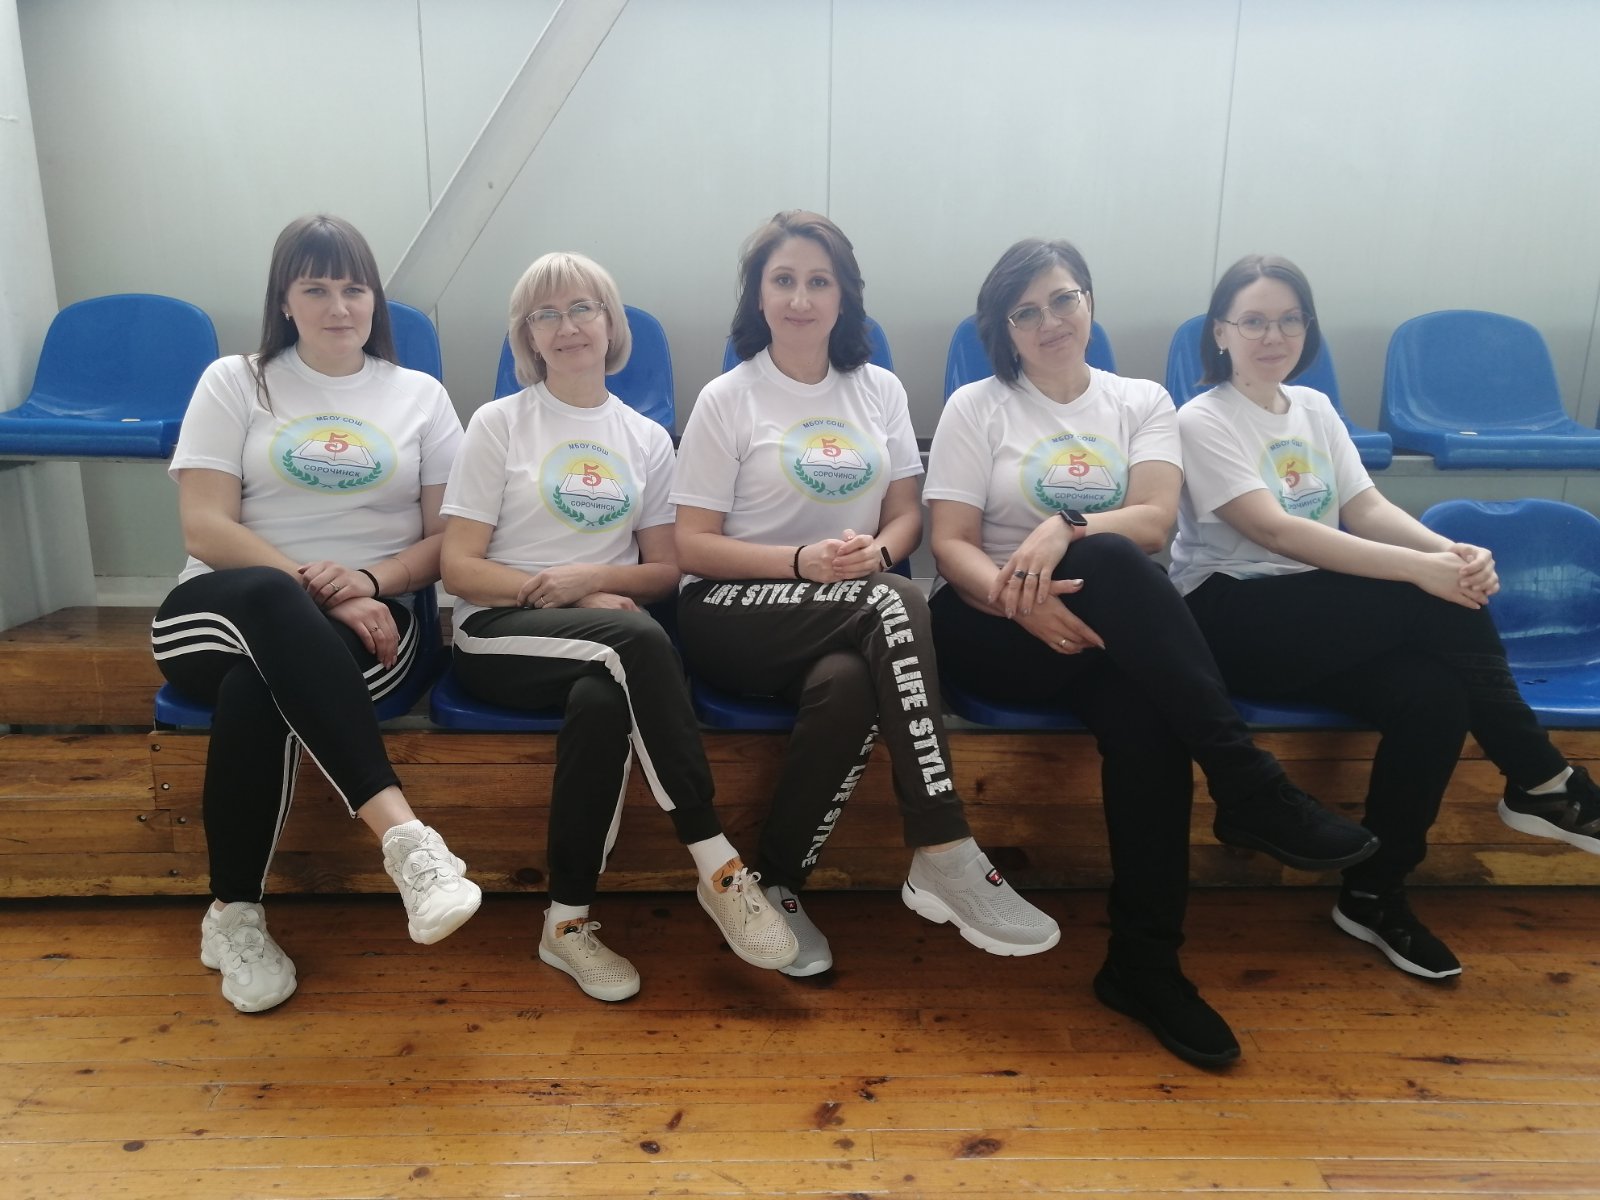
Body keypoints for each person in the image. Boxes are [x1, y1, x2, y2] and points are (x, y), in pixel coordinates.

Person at [924, 237, 1376, 1067]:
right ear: (1005, 329)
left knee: (1149, 711)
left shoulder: (1140, 401)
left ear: (1089, 301)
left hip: (1102, 629)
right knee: (1108, 554)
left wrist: (1063, 525)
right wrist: (1020, 600)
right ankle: (1247, 782)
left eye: (1063, 299)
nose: (1049, 321)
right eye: (1026, 311)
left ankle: (1144, 964)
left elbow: (1158, 519)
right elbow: (949, 544)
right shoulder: (977, 406)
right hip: (991, 623)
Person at [1172, 253, 1600, 982]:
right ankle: (1539, 777)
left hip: (1318, 617)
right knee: (1421, 594)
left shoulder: (1313, 408)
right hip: (1229, 615)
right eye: (1254, 321)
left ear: (1308, 327)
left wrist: (1449, 551)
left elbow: (1365, 507)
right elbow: (1276, 531)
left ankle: (1374, 893)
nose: (1273, 336)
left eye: (1289, 320)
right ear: (1221, 332)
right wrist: (1421, 571)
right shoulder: (1202, 419)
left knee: (1435, 695)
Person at [672, 209, 1061, 978]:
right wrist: (801, 562)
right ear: (757, 295)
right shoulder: (728, 397)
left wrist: (878, 551)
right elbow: (692, 545)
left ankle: (777, 883)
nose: (801, 298)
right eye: (783, 280)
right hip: (729, 611)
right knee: (895, 600)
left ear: (844, 295)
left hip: (842, 610)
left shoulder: (878, 390)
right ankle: (944, 845)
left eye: (819, 281)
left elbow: (908, 513)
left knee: (850, 680)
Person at [439, 251, 797, 1000]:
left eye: (582, 308)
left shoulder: (646, 438)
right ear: (527, 337)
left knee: (603, 702)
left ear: (610, 324)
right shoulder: (498, 424)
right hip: (498, 631)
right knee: (640, 640)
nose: (566, 326)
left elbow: (665, 570)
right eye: (545, 314)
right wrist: (559, 597)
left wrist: (592, 582)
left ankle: (565, 924)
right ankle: (716, 859)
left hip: (601, 646)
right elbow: (459, 567)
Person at [151, 214, 481, 1014]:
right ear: (284, 300)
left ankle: (232, 916)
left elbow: (449, 540)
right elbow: (204, 526)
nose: (339, 307)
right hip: (221, 607)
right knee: (270, 599)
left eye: (354, 289)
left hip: (370, 619)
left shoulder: (420, 396)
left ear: (374, 301)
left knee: (256, 689)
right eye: (316, 288)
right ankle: (406, 841)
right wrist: (316, 584)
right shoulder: (236, 381)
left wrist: (368, 580)